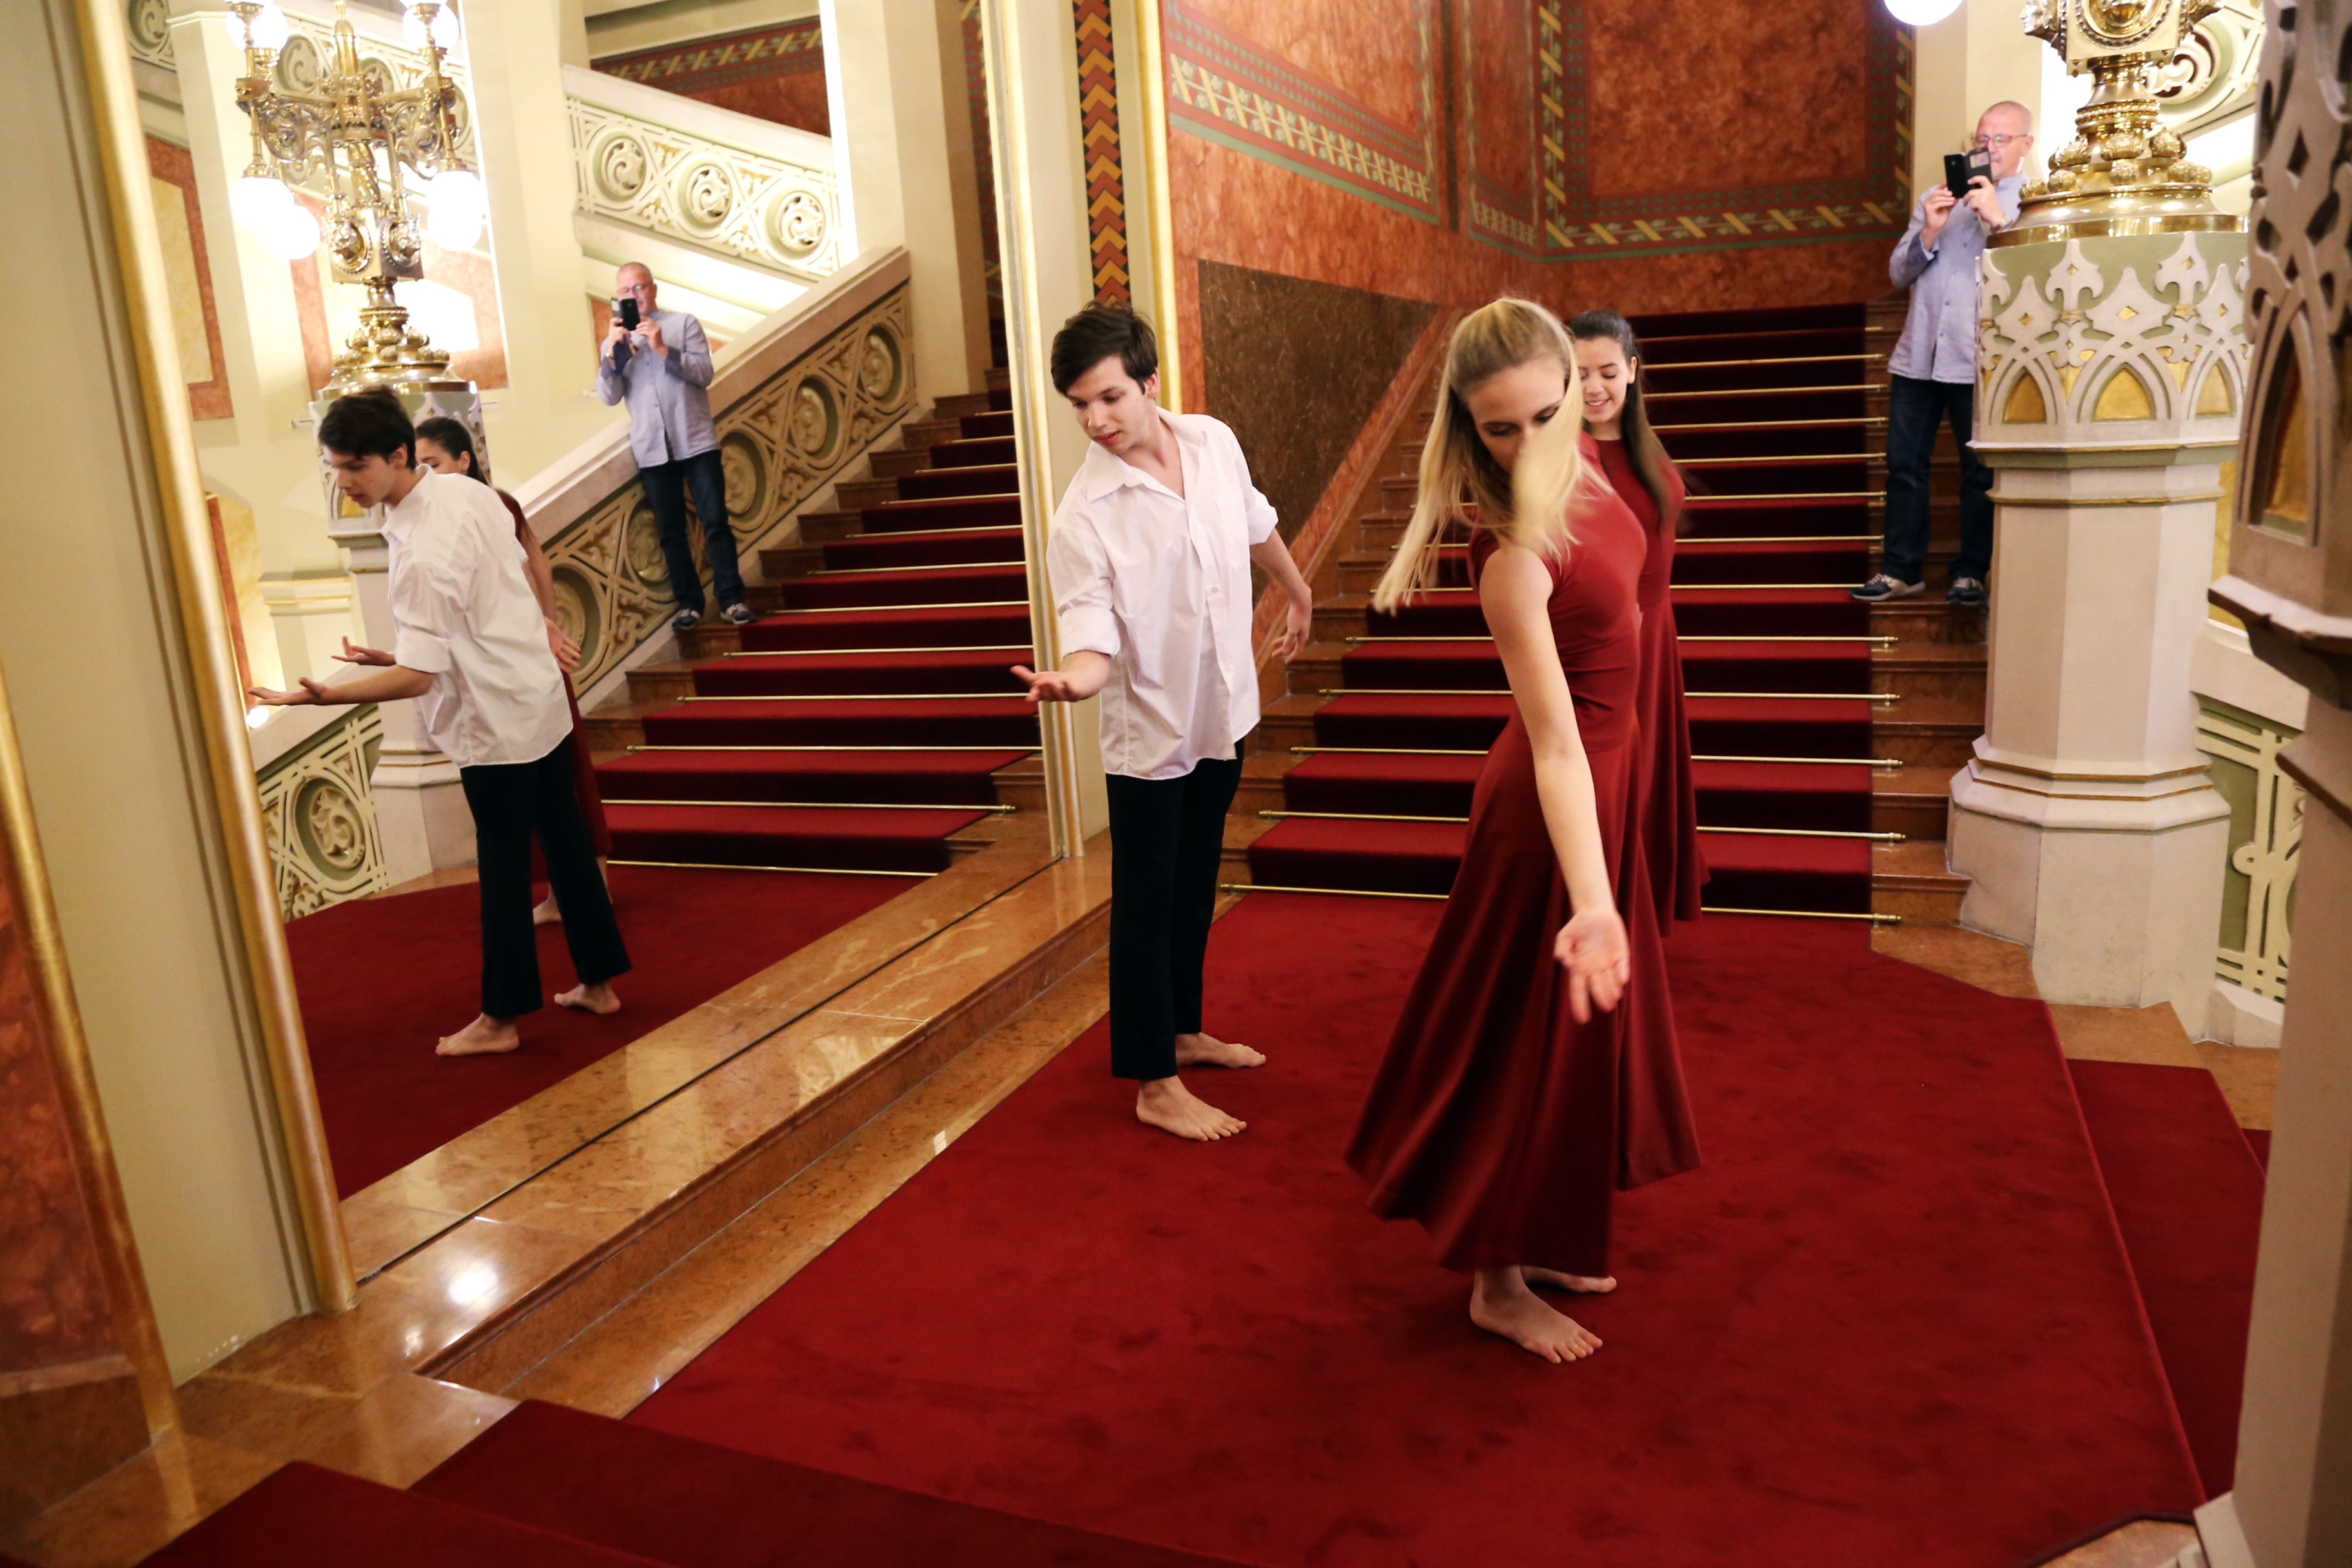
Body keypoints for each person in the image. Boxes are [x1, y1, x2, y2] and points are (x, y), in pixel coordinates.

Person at [1347, 299, 1700, 1363]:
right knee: (1515, 1044)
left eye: (1547, 414)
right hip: (1552, 814)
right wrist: (1592, 900)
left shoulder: (1595, 469)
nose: (1529, 443)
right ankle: (1495, 1283)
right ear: (1468, 425)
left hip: (1608, 784)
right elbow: (1554, 745)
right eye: (1500, 429)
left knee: (1573, 1045)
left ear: (1578, 386)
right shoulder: (1510, 552)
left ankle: (1541, 1235)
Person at [251, 389, 631, 1057]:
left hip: (494, 720)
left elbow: (421, 678)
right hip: (535, 696)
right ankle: (598, 985)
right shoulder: (469, 491)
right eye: (336, 467)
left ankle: (500, 1021)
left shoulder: (423, 550)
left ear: (399, 455)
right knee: (566, 843)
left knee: (505, 870)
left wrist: (324, 697)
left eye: (357, 466)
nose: (344, 483)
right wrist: (402, 653)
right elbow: (498, 596)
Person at [1014, 302, 1315, 1143]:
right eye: (1080, 405)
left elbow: (1255, 523)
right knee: (1147, 904)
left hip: (1222, 710)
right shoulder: (1085, 517)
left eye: (1109, 397)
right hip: (1150, 734)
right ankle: (1154, 1081)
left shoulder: (1212, 442)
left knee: (1195, 883)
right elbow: (1091, 635)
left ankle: (1183, 1031)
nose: (1095, 420)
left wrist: (1297, 591)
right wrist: (1074, 681)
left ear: (1149, 383)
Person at [413, 416, 613, 927]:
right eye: (419, 466)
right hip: (515, 660)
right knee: (549, 793)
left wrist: (543, 625)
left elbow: (533, 566)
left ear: (464, 461)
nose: (425, 475)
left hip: (518, 664)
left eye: (433, 463)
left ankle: (584, 894)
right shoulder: (462, 510)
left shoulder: (485, 504)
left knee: (557, 789)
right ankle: (571, 898)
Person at [1853, 101, 2033, 609]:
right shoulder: (1939, 199)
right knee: (1904, 467)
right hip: (1918, 356)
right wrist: (1931, 229)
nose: (1988, 149)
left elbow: (2031, 278)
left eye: (2000, 140)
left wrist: (1998, 220)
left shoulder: (2034, 204)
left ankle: (1971, 573)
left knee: (1979, 473)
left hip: (1979, 361)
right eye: (1982, 139)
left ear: (2026, 145)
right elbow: (1898, 274)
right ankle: (1899, 570)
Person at [1569, 308, 1703, 928]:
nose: (1594, 387)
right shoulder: (1564, 456)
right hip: (1604, 641)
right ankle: (1601, 906)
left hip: (1656, 635)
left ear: (1631, 369)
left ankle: (1637, 904)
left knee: (1646, 777)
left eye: (1606, 371)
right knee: (1612, 779)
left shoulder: (1646, 447)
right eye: (1579, 374)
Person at [598, 262, 752, 631]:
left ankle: (732, 600)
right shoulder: (613, 342)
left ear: (653, 289)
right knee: (670, 532)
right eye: (625, 291)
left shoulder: (683, 325)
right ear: (617, 298)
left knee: (715, 521)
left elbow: (704, 374)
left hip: (695, 441)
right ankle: (690, 604)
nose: (633, 296)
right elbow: (609, 396)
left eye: (639, 288)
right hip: (652, 448)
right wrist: (614, 354)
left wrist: (662, 347)